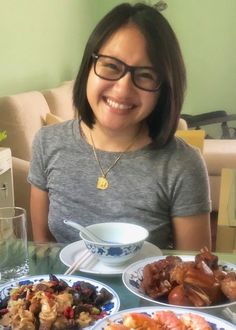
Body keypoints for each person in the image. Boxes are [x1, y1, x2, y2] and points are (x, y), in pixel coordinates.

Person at [28, 2, 212, 250]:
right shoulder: (47, 143)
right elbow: (43, 247)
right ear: (88, 67)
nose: (123, 88)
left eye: (145, 75)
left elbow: (192, 272)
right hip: (64, 288)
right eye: (111, 66)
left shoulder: (183, 164)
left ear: (164, 89)